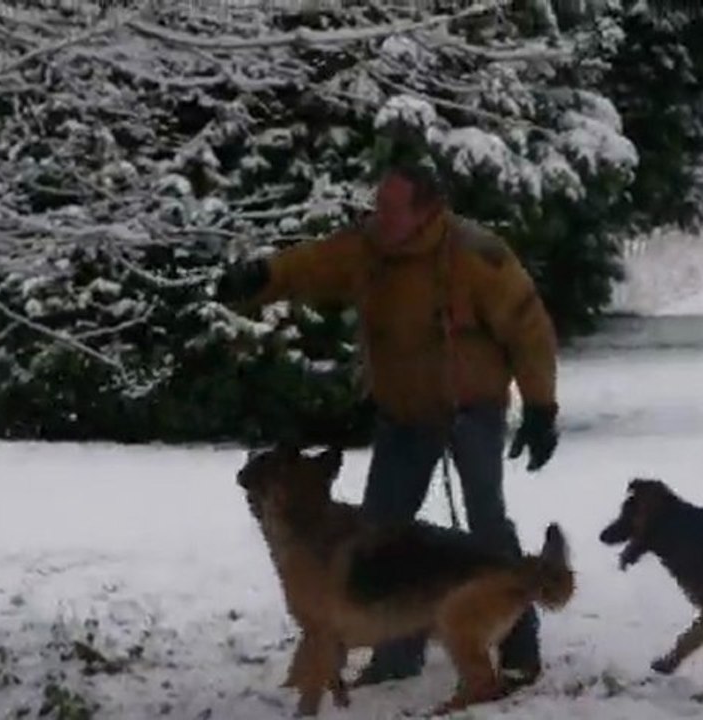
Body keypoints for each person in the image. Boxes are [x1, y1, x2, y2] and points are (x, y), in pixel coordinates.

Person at [215, 158, 560, 688]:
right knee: (380, 531)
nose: (380, 217)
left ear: (428, 211)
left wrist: (540, 406)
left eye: (392, 208)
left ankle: (519, 647)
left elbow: (528, 326)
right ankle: (397, 652)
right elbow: (312, 265)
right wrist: (263, 277)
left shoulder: (476, 255)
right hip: (404, 413)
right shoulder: (368, 249)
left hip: (471, 409)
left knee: (486, 524)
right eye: (379, 206)